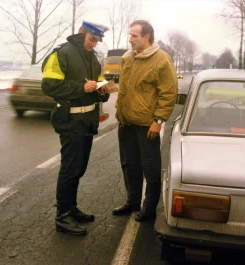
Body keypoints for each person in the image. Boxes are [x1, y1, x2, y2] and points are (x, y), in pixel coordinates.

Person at [41, 21, 117, 235]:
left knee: (79, 168)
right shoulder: (62, 54)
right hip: (71, 121)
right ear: (81, 32)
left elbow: (99, 83)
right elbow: (49, 85)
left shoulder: (92, 58)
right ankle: (62, 216)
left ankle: (71, 208)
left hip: (87, 121)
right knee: (70, 169)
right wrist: (80, 87)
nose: (94, 44)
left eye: (97, 40)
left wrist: (103, 90)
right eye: (92, 39)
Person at [112, 20, 177, 222]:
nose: (130, 40)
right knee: (129, 165)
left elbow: (169, 93)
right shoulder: (128, 58)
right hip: (126, 123)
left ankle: (149, 207)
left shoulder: (161, 60)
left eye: (134, 36)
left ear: (146, 37)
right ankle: (132, 201)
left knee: (150, 167)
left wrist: (158, 120)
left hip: (147, 124)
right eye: (130, 36)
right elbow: (126, 89)